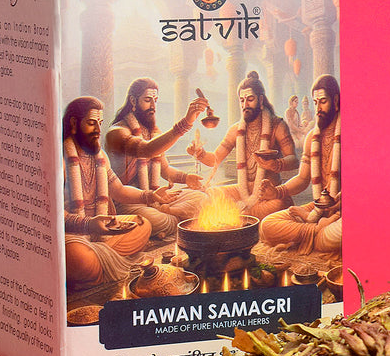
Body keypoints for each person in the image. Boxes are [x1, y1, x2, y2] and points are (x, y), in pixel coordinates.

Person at [63, 96, 180, 295]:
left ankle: (98, 259)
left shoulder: (99, 157)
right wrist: (88, 224)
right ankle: (92, 263)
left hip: (100, 228)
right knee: (78, 258)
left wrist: (150, 195)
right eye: (91, 123)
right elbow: (53, 216)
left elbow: (119, 190)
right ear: (74, 124)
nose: (98, 130)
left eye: (100, 123)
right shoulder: (60, 158)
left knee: (142, 225)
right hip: (73, 233)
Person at [105, 77, 209, 239]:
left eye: (155, 100)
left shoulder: (153, 132)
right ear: (133, 100)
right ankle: (177, 219)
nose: (153, 106)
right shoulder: (117, 133)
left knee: (202, 199)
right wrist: (185, 123)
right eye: (147, 100)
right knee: (158, 220)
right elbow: (146, 150)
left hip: (155, 197)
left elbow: (165, 169)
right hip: (127, 202)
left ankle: (171, 215)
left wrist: (186, 178)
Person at [187, 71, 297, 219]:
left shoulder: (277, 125)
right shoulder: (235, 130)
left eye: (250, 99)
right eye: (242, 100)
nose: (245, 105)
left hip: (268, 194)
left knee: (278, 205)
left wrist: (276, 164)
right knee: (211, 194)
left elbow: (293, 160)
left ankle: (239, 214)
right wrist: (200, 154)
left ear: (260, 99)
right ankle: (243, 214)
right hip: (242, 191)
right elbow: (215, 159)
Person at [258, 74, 341, 255]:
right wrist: (277, 192)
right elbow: (303, 179)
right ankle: (316, 231)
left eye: (323, 102)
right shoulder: (312, 137)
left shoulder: (350, 133)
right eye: (315, 102)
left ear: (335, 101)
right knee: (267, 225)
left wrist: (336, 212)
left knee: (337, 234)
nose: (318, 108)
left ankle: (316, 233)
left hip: (343, 210)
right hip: (318, 208)